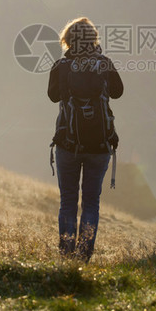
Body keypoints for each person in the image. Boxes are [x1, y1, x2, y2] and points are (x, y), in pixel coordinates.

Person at [48, 17, 124, 262]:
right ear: (94, 39)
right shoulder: (105, 64)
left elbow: (52, 96)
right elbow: (118, 92)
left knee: (68, 202)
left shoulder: (61, 66)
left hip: (67, 143)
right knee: (91, 202)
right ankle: (83, 258)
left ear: (68, 39)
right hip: (100, 145)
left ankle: (66, 256)